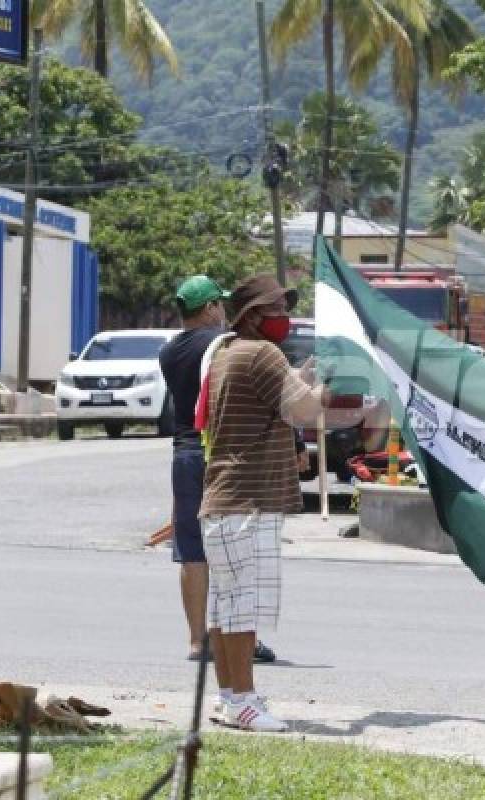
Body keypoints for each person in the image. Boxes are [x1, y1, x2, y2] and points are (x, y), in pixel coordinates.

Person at [197, 274, 330, 732]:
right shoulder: (263, 353)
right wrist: (326, 389)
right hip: (247, 502)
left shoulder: (228, 352)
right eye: (276, 310)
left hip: (225, 498)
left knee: (224, 604)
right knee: (242, 608)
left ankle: (229, 695)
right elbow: (306, 412)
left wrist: (303, 381)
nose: (284, 319)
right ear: (253, 316)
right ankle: (245, 702)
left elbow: (281, 402)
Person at [159, 276, 281, 666]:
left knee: (192, 551)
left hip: (184, 455)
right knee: (235, 550)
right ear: (211, 307)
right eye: (221, 305)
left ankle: (198, 642)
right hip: (221, 453)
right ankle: (244, 639)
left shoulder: (168, 352)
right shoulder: (224, 345)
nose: (225, 312)